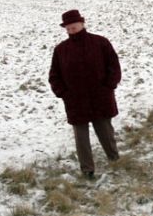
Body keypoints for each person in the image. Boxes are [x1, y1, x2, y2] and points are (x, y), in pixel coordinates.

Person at [48, 9, 121, 179]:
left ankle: (114, 158)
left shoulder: (100, 42)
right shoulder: (61, 50)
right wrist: (63, 93)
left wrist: (108, 86)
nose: (71, 29)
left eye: (73, 26)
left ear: (82, 23)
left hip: (100, 97)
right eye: (68, 28)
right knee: (81, 138)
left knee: (105, 130)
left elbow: (114, 66)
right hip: (75, 101)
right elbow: (54, 75)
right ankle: (87, 170)